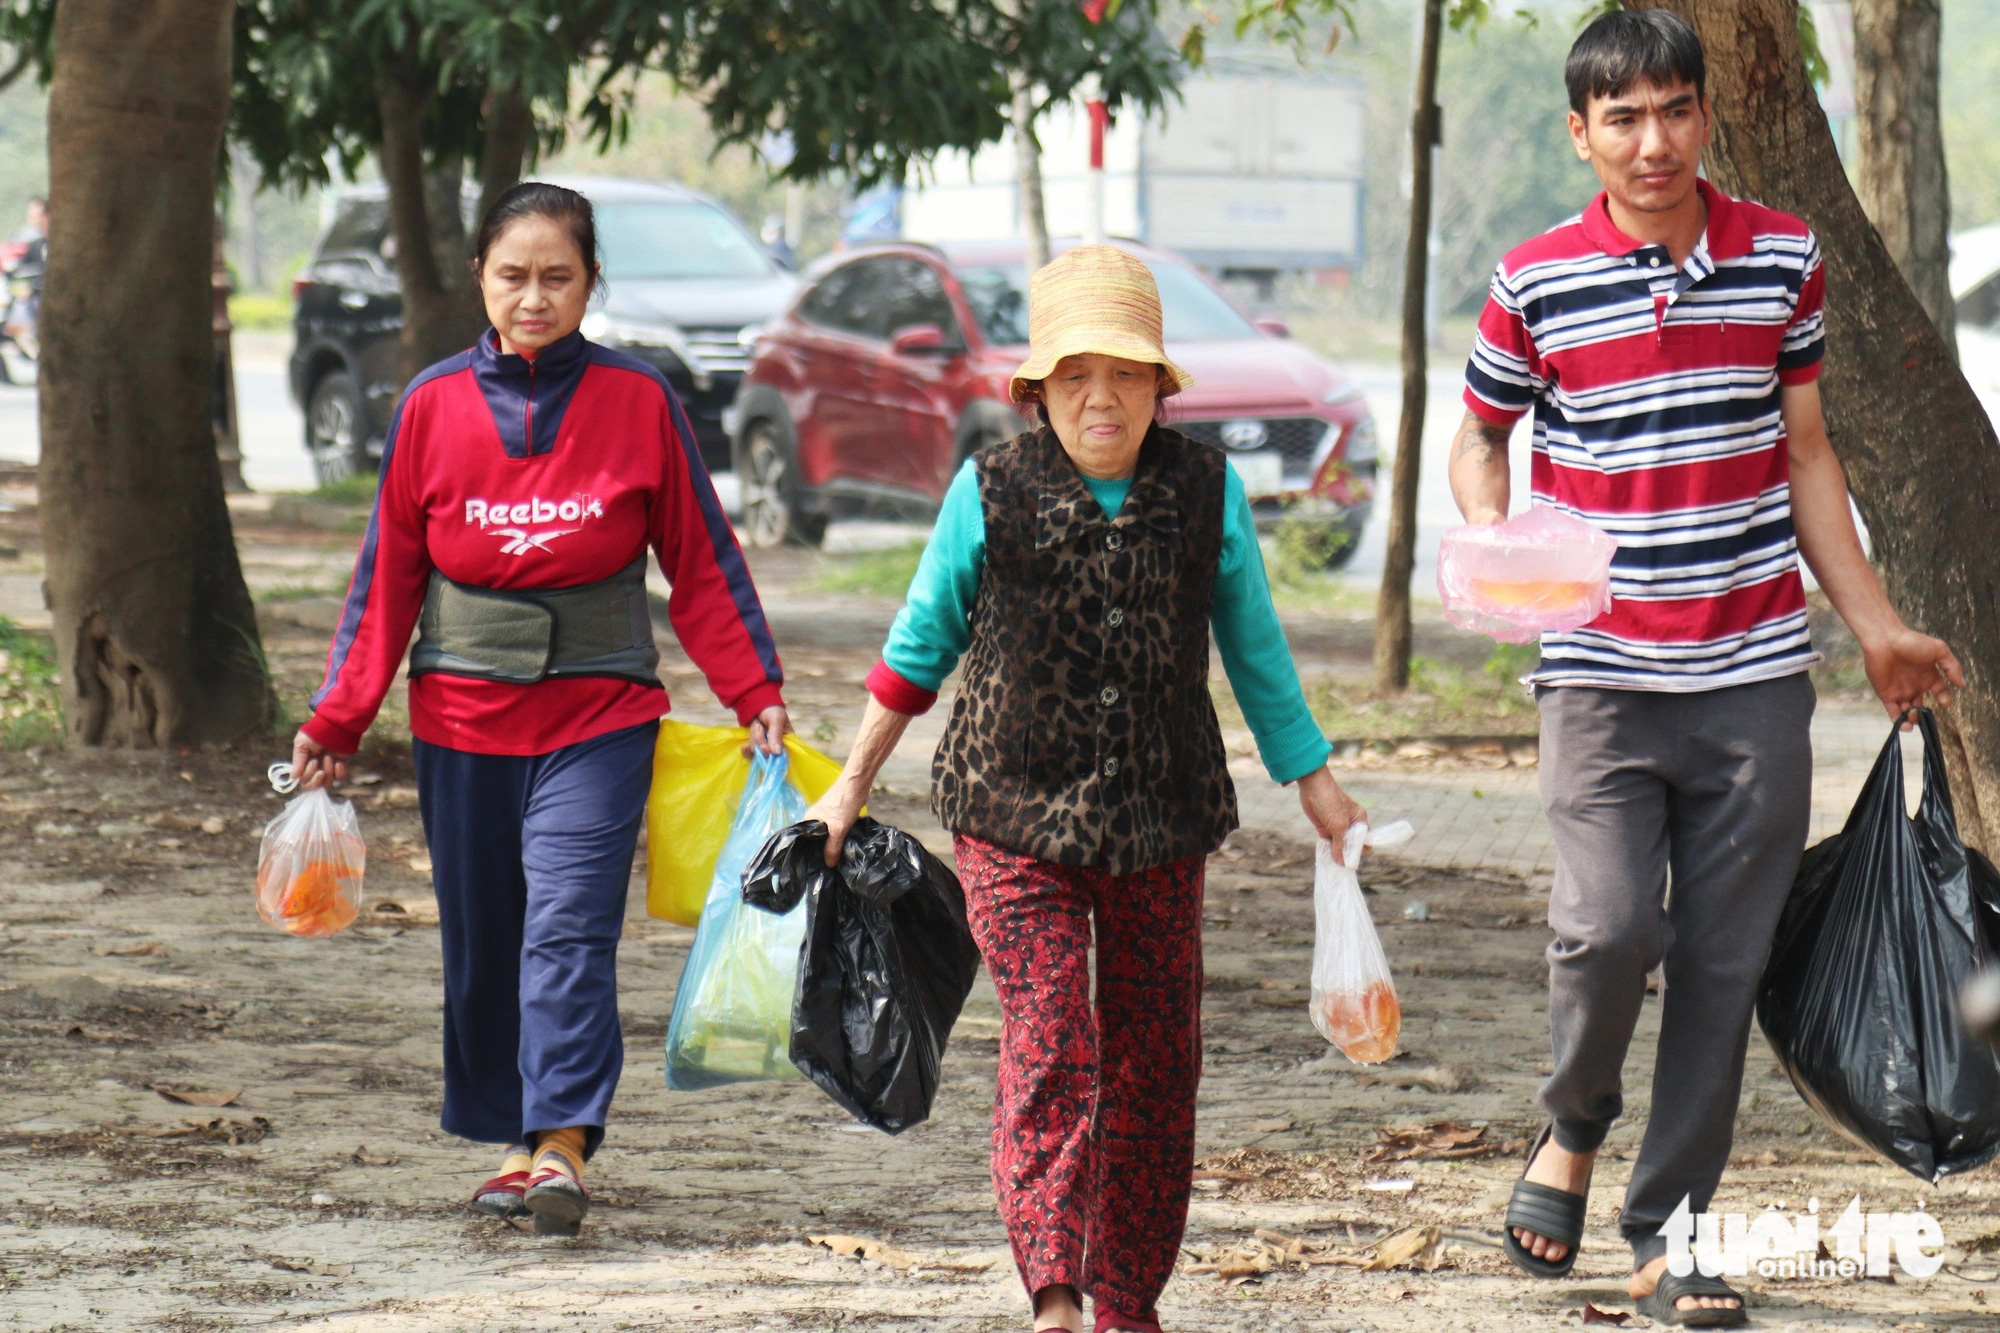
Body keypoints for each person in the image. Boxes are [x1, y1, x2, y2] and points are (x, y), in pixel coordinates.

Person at [1455, 12, 1962, 1326]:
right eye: (1623, 118)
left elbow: (1805, 456)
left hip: (1751, 679)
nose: (1654, 138)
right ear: (1582, 135)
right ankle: (1573, 1120)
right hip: (1600, 677)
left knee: (1724, 970)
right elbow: (1481, 433)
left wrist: (1876, 626)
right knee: (1608, 927)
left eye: (1676, 109)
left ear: (1706, 119)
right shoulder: (1536, 280)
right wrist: (1492, 536)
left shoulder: (1784, 262)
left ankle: (1670, 1232)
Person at [803, 244, 1366, 1333]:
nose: (1100, 398)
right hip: (1011, 816)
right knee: (1054, 1035)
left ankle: (1128, 1300)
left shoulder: (1204, 491)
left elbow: (1255, 651)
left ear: (1160, 386)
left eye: (1124, 375)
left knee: (1156, 1061)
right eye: (1073, 377)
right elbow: (916, 647)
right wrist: (845, 787)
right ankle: (1055, 1287)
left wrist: (1320, 789)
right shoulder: (990, 491)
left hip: (1162, 817)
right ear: (1034, 391)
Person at [290, 181, 790, 1236]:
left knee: (567, 927)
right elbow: (386, 580)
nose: (533, 297)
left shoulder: (638, 398)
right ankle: (511, 1137)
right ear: (479, 276)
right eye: (512, 275)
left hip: (598, 719)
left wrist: (755, 692)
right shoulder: (428, 404)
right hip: (460, 725)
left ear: (590, 282)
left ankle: (559, 1141)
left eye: (556, 277)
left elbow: (701, 559)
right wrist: (337, 718)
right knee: (485, 939)